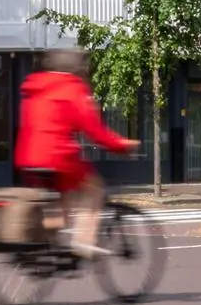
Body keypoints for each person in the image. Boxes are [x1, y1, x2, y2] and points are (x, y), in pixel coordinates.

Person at [15, 49, 138, 257]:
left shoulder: (35, 87)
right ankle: (83, 242)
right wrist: (121, 145)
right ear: (77, 68)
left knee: (61, 199)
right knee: (94, 188)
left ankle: (45, 247)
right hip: (57, 156)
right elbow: (94, 131)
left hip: (28, 156)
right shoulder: (72, 88)